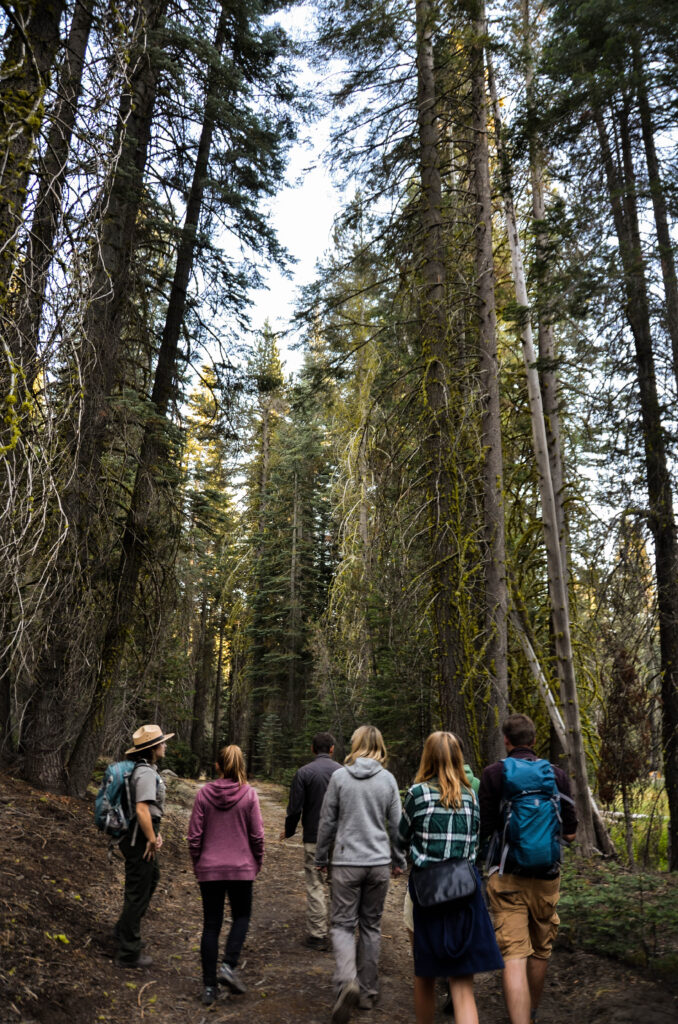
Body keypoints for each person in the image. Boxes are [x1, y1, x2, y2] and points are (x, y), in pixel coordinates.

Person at [479, 713, 578, 1024]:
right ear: (534, 741)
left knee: (513, 953)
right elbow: (571, 833)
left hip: (507, 874)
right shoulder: (556, 776)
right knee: (539, 949)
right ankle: (531, 1014)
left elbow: (485, 827)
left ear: (506, 741)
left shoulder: (495, 774)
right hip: (547, 877)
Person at [398, 732, 503, 1024]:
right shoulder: (472, 796)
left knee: (425, 976)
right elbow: (479, 843)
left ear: (427, 757)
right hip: (465, 892)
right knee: (462, 984)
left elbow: (400, 838)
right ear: (459, 758)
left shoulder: (417, 794)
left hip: (428, 894)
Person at [315, 724, 405, 1024]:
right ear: (380, 745)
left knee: (342, 925)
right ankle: (366, 993)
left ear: (354, 744)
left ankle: (346, 981)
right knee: (370, 927)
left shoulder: (340, 777)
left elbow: (327, 821)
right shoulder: (388, 780)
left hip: (346, 862)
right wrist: (398, 858)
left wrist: (320, 856)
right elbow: (396, 826)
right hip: (378, 863)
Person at [187, 744, 265, 1006]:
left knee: (211, 925)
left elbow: (194, 836)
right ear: (241, 765)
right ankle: (228, 966)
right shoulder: (249, 795)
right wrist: (257, 862)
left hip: (210, 870)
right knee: (241, 916)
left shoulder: (203, 794)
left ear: (218, 766)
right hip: (241, 868)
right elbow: (257, 835)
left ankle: (209, 988)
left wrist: (199, 863)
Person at [115, 723, 174, 968]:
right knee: (138, 889)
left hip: (141, 833)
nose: (165, 745)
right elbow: (141, 809)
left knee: (150, 878)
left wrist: (155, 834)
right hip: (138, 837)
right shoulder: (146, 773)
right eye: (162, 742)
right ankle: (128, 951)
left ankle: (124, 931)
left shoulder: (145, 769)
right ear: (152, 748)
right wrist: (151, 838)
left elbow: (147, 809)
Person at [279, 731, 341, 949]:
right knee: (338, 885)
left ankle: (318, 934)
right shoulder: (344, 773)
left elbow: (295, 808)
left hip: (313, 837)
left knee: (315, 884)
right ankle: (340, 934)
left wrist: (289, 830)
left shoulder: (304, 773)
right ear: (332, 749)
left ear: (313, 749)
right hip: (340, 839)